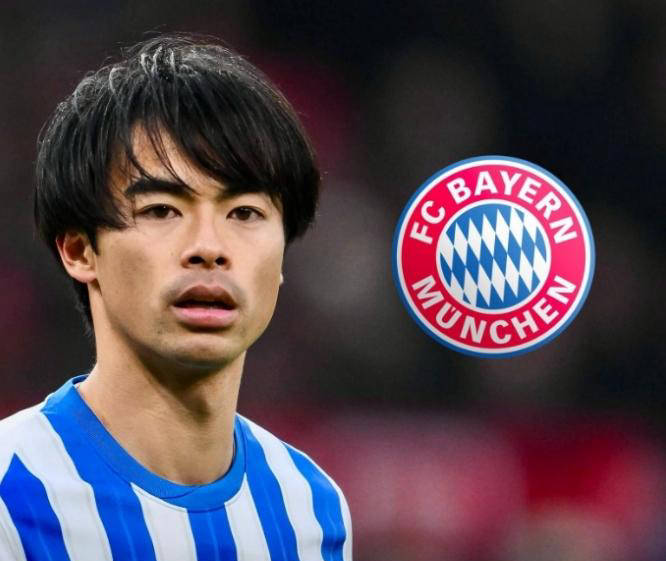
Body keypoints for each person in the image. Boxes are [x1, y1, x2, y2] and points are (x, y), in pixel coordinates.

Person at [0, 34, 352, 560]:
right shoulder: (11, 492)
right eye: (162, 210)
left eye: (245, 213)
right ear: (79, 250)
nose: (209, 248)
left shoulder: (312, 509)